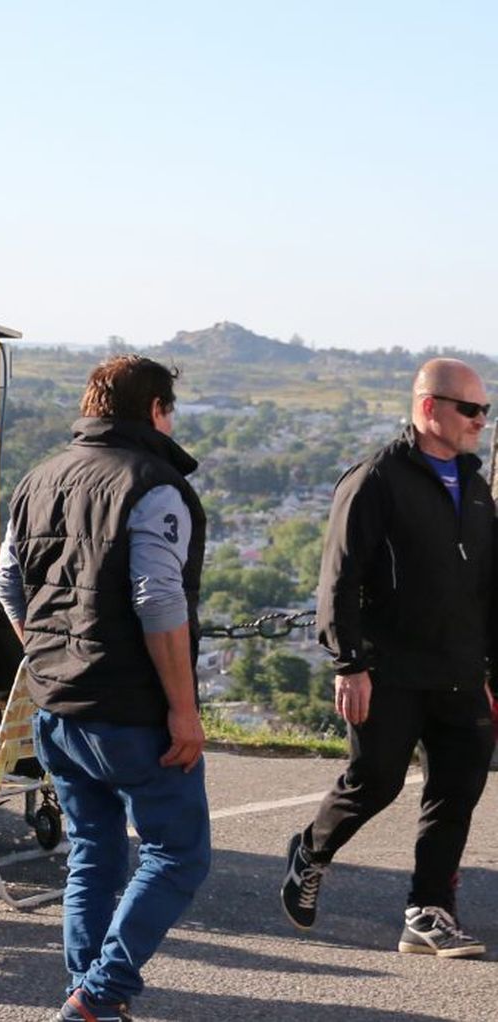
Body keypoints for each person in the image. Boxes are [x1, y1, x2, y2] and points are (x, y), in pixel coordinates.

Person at [0, 355, 210, 1022]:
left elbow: (7, 583)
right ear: (154, 411)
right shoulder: (154, 482)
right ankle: (97, 995)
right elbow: (157, 599)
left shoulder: (39, 477)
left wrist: (46, 653)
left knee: (95, 850)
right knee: (179, 853)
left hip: (55, 706)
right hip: (131, 711)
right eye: (169, 411)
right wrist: (183, 709)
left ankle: (89, 998)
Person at [281, 357, 494, 958]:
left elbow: (488, 587)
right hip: (389, 670)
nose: (482, 421)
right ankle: (311, 850)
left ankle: (429, 912)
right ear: (430, 408)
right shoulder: (376, 478)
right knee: (374, 782)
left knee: (456, 793)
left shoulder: (475, 486)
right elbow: (338, 580)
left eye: (486, 410)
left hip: (458, 673)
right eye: (472, 409)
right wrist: (349, 664)